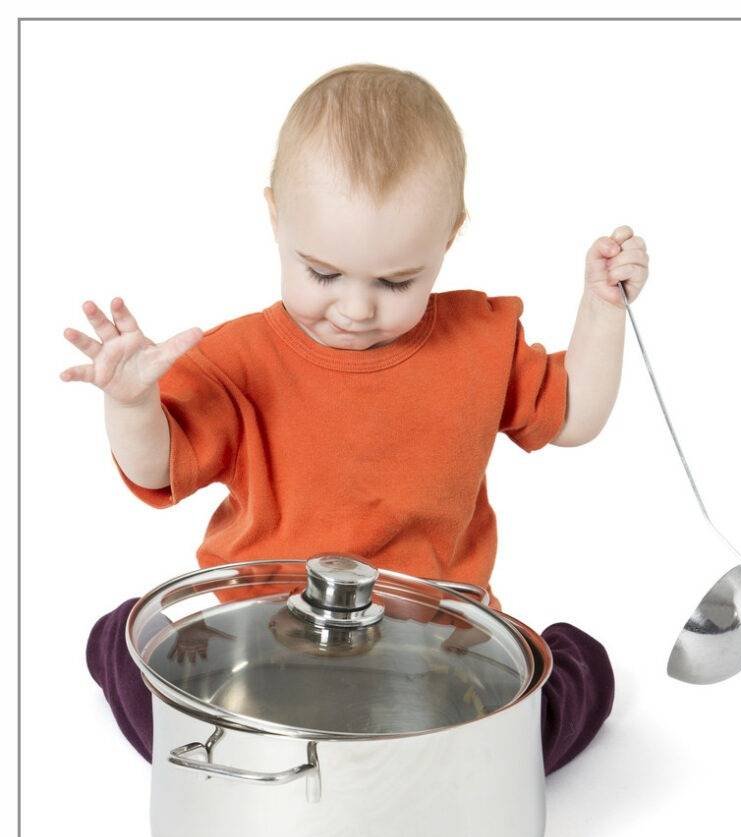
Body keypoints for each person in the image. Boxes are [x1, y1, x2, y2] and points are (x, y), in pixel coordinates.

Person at [62, 63, 649, 774]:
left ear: (449, 238)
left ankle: (574, 674)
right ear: (277, 218)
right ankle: (113, 643)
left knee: (512, 753)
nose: (356, 308)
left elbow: (577, 415)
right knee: (177, 733)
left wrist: (602, 308)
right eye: (322, 273)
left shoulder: (480, 341)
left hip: (430, 643)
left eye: (396, 281)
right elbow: (155, 467)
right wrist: (130, 403)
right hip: (262, 642)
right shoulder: (238, 359)